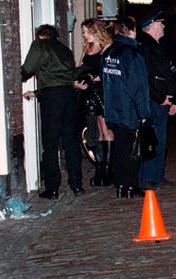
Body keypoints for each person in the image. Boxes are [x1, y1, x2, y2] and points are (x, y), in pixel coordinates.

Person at [21, 24, 83, 199]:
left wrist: (17, 77)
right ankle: (77, 184)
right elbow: (64, 78)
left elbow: (28, 69)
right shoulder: (65, 50)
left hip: (52, 99)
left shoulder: (39, 45)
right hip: (69, 96)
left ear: (40, 36)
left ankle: (52, 187)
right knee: (71, 141)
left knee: (50, 143)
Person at [102, 17, 152, 198]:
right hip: (129, 109)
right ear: (131, 30)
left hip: (113, 108)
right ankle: (130, 185)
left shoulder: (108, 53)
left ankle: (121, 184)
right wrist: (144, 112)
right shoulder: (132, 54)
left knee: (120, 147)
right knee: (132, 149)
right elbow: (139, 86)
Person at [137, 10, 176, 189]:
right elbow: (147, 78)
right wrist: (160, 98)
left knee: (161, 140)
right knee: (151, 139)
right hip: (153, 102)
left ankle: (157, 175)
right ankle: (147, 176)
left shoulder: (159, 46)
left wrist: (172, 99)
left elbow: (167, 74)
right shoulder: (145, 48)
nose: (163, 26)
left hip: (163, 101)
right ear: (152, 26)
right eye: (160, 23)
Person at [74, 18, 114, 187]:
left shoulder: (107, 48)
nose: (83, 35)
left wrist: (100, 77)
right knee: (95, 131)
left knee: (106, 129)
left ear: (95, 31)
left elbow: (111, 71)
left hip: (103, 93)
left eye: (86, 32)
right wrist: (76, 82)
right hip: (89, 93)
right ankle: (100, 167)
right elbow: (79, 68)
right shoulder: (87, 48)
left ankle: (109, 169)